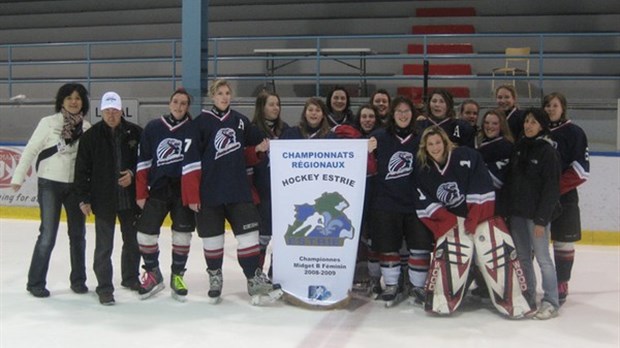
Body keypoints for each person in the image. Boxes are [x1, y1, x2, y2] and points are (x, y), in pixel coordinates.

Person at [415, 126, 532, 318]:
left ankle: (513, 298)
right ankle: (443, 297)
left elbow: (482, 184)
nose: (435, 147)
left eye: (438, 142)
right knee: (452, 257)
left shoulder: (466, 156)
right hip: (452, 222)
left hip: (481, 217)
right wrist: (447, 219)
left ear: (445, 143)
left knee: (495, 255)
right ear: (424, 147)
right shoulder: (423, 169)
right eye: (430, 144)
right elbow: (422, 199)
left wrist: (475, 217)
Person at [181, 79, 280, 305]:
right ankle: (215, 277)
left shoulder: (241, 122)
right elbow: (191, 161)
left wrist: (257, 150)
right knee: (213, 240)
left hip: (238, 191)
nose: (224, 97)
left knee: (249, 238)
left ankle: (253, 279)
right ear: (212, 96)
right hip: (210, 193)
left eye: (227, 93)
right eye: (219, 93)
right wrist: (192, 195)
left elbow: (245, 154)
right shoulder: (200, 124)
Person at [11, 83, 91, 298]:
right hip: (50, 184)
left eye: (78, 98)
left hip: (75, 187)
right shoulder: (48, 123)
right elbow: (30, 150)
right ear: (61, 101)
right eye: (69, 98)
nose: (73, 102)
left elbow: (90, 162)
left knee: (78, 234)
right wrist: (18, 176)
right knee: (47, 234)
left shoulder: (87, 127)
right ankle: (35, 282)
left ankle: (79, 280)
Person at [75, 91, 142, 305]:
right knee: (104, 246)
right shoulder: (90, 137)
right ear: (101, 111)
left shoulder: (136, 133)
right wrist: (83, 198)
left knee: (132, 241)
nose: (111, 114)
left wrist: (132, 174)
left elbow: (146, 163)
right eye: (107, 111)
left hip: (129, 200)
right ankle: (104, 287)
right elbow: (82, 170)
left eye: (115, 110)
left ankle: (130, 277)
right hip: (103, 200)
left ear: (121, 110)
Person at [367, 96, 433, 306]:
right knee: (388, 247)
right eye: (399, 112)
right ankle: (393, 284)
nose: (403, 115)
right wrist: (365, 151)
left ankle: (417, 286)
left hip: (416, 203)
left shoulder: (422, 137)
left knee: (419, 247)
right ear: (392, 114)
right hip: (386, 202)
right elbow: (364, 164)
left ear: (412, 114)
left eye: (406, 111)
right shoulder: (379, 136)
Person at [134, 88, 196, 302]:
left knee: (182, 235)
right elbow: (143, 162)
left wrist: (195, 195)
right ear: (170, 103)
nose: (179, 106)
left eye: (184, 103)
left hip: (183, 191)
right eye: (176, 102)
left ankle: (177, 276)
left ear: (188, 107)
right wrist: (140, 192)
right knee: (144, 234)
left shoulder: (194, 129)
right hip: (158, 189)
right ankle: (153, 273)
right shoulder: (153, 127)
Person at [503, 108, 562, 320]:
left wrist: (541, 220)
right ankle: (528, 295)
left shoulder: (548, 152)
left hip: (537, 218)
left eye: (534, 122)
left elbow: (551, 189)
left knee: (544, 259)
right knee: (522, 258)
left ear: (542, 126)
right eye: (527, 121)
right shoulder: (519, 147)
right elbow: (512, 182)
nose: (528, 125)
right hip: (517, 215)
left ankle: (551, 300)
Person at [544, 92, 590, 305]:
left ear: (563, 108)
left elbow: (581, 170)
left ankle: (562, 281)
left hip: (565, 197)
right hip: (538, 199)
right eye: (547, 105)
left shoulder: (574, 132)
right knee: (534, 243)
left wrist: (553, 189)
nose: (550, 109)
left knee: (563, 242)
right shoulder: (537, 130)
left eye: (554, 105)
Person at [332, 104, 382, 293]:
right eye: (364, 116)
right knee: (349, 230)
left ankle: (370, 275)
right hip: (350, 192)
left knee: (369, 234)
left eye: (371, 116)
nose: (367, 120)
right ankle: (347, 272)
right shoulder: (350, 136)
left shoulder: (382, 136)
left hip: (374, 191)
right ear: (358, 119)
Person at [250, 90, 289, 276]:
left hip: (283, 194)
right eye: (271, 104)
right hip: (262, 192)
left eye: (278, 104)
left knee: (282, 236)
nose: (276, 108)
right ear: (261, 107)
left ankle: (277, 272)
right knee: (263, 236)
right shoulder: (251, 131)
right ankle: (257, 274)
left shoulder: (286, 130)